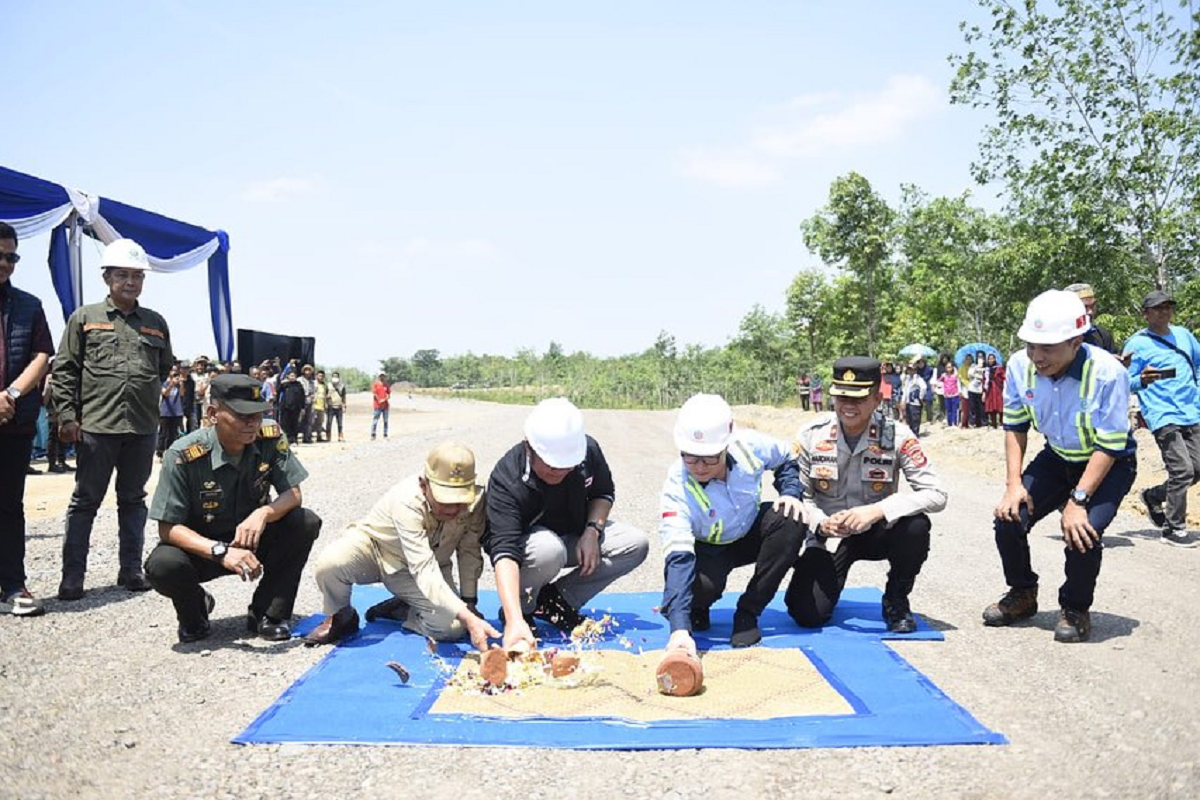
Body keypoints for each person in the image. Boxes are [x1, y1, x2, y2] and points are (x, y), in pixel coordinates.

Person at [984, 290, 1136, 643]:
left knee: (1082, 531)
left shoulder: (1108, 373)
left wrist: (1078, 501)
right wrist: (1013, 484)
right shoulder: (1020, 366)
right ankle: (1023, 593)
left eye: (1048, 348)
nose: (1037, 356)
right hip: (1057, 457)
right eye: (1031, 345)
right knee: (1008, 517)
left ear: (1076, 341)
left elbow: (1110, 444)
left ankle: (1075, 608)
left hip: (1109, 462)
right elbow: (1015, 426)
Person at [144, 374, 320, 643]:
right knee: (163, 565)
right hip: (204, 550)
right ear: (213, 413)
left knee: (304, 521)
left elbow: (293, 494)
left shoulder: (269, 436)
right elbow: (168, 527)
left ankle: (269, 613)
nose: (253, 423)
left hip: (251, 540)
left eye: (258, 414)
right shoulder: (183, 454)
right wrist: (220, 551)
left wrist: (264, 513)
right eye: (242, 415)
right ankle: (195, 610)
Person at [786, 357, 947, 633]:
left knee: (916, 526)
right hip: (830, 537)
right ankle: (826, 585)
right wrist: (821, 523)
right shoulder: (811, 435)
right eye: (841, 396)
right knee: (807, 614)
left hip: (876, 531)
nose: (848, 406)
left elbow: (937, 494)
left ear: (876, 398)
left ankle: (896, 598)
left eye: (858, 398)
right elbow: (800, 495)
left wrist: (877, 511)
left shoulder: (897, 435)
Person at [51, 238, 174, 600]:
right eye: (123, 275)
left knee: (133, 500)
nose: (131, 282)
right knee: (85, 501)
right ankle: (73, 578)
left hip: (141, 428)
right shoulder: (85, 318)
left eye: (137, 276)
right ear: (107, 277)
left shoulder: (155, 323)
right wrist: (68, 417)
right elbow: (65, 369)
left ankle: (131, 570)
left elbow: (163, 367)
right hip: (96, 428)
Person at [483, 398, 649, 651]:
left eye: (566, 467)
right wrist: (514, 619)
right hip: (535, 549)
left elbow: (603, 493)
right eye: (551, 467)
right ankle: (523, 609)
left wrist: (593, 531)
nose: (559, 473)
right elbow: (504, 551)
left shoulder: (587, 450)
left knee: (635, 543)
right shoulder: (507, 477)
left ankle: (556, 601)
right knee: (549, 550)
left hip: (576, 534)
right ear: (530, 447)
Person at [305, 442, 499, 649]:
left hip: (429, 566)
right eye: (446, 500)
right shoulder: (407, 499)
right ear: (424, 485)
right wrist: (468, 617)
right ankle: (341, 616)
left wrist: (469, 604)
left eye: (460, 500)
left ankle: (405, 608)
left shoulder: (476, 501)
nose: (453, 509)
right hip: (377, 553)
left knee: (452, 629)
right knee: (332, 563)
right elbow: (422, 567)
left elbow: (469, 552)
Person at [658, 394, 806, 654]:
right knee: (698, 592)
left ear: (727, 444)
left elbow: (787, 459)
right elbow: (678, 557)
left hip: (749, 531)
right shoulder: (676, 488)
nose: (700, 467)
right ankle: (698, 608)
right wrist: (679, 631)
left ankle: (748, 612)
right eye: (690, 457)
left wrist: (790, 493)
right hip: (708, 550)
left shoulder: (749, 444)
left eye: (710, 457)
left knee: (791, 517)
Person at [0, 221, 53, 616]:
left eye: (12, 257)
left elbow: (41, 356)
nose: (6, 263)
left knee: (8, 505)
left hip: (12, 420)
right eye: (0, 256)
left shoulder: (28, 306)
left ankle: (13, 585)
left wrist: (12, 394)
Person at [1124, 290, 1200, 547]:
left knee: (1197, 469)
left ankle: (1154, 496)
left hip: (1191, 411)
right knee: (1182, 470)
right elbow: (1124, 381)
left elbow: (1197, 365)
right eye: (1158, 308)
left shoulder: (1184, 335)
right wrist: (1142, 380)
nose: (1164, 312)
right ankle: (1173, 528)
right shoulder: (1137, 343)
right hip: (1162, 414)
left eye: (1168, 307)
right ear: (1145, 314)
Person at [1066, 282, 1117, 354]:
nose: (1090, 312)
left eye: (1093, 306)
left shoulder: (1102, 335)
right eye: (1085, 307)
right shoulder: (1059, 338)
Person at [157, 363, 185, 457]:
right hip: (165, 412)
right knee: (163, 433)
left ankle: (169, 452)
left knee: (173, 434)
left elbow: (181, 394)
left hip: (176, 412)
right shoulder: (164, 383)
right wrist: (171, 385)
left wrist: (181, 384)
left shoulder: (178, 384)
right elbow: (165, 394)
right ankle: (160, 451)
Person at [901, 362, 927, 436]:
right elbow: (905, 390)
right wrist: (903, 401)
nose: (910, 371)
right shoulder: (907, 379)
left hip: (915, 402)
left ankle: (915, 434)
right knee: (909, 419)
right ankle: (910, 434)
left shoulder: (918, 379)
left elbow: (924, 387)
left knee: (915, 418)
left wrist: (921, 397)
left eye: (912, 369)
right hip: (908, 402)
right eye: (909, 369)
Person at [983, 353, 1005, 429]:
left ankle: (1001, 423)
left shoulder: (999, 368)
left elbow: (1004, 378)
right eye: (989, 359)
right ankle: (993, 424)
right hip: (990, 389)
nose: (991, 360)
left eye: (992, 358)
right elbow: (984, 380)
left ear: (995, 359)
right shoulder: (986, 370)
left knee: (1000, 405)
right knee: (991, 407)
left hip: (998, 389)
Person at [966, 352, 987, 428]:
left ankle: (983, 422)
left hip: (981, 389)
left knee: (982, 407)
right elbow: (969, 375)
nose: (980, 358)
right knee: (972, 407)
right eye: (978, 356)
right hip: (972, 388)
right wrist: (976, 369)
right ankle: (972, 422)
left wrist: (981, 373)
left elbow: (986, 377)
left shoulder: (986, 367)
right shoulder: (973, 366)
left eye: (981, 356)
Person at [326, 371, 346, 442]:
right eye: (333, 376)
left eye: (336, 376)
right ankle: (328, 436)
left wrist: (344, 405)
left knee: (340, 423)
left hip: (339, 406)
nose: (335, 377)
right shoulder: (328, 385)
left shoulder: (341, 386)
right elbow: (325, 395)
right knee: (329, 422)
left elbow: (343, 396)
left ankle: (340, 436)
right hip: (330, 406)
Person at [371, 372, 391, 440]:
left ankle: (385, 434)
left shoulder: (386, 385)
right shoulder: (376, 384)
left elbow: (388, 394)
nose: (382, 377)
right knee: (375, 420)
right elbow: (375, 393)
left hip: (385, 406)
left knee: (385, 420)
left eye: (383, 376)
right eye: (381, 376)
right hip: (377, 406)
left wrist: (384, 399)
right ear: (379, 377)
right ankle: (373, 434)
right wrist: (379, 400)